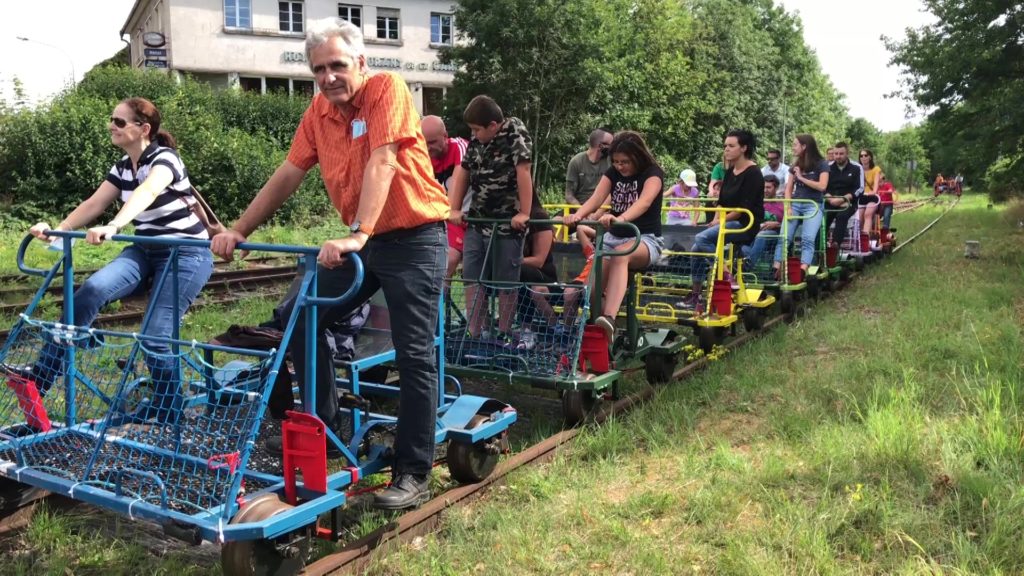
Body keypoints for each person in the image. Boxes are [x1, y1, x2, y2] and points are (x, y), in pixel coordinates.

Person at [210, 21, 448, 510]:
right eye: (318, 68)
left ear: (360, 62)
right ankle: (327, 422)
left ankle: (413, 472)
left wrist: (358, 231)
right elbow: (289, 173)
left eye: (337, 65)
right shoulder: (319, 111)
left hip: (413, 238)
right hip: (365, 240)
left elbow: (383, 161)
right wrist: (239, 229)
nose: (328, 77)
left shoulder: (387, 89)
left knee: (413, 353)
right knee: (300, 314)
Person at [25, 97, 214, 426]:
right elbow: (95, 202)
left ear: (143, 129)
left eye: (120, 121)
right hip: (144, 250)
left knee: (155, 337)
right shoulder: (124, 167)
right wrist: (59, 230)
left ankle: (171, 413)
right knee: (91, 289)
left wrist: (115, 226)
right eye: (112, 119)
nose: (112, 125)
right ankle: (39, 378)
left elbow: (148, 193)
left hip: (186, 252)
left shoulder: (164, 158)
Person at [447, 95, 534, 347]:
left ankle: (505, 331)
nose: (473, 134)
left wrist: (524, 213)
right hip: (478, 219)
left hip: (507, 222)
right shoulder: (477, 141)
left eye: (476, 129)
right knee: (472, 275)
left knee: (505, 278)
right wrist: (454, 208)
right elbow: (463, 170)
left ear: (493, 125)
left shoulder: (514, 132)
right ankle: (475, 332)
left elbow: (524, 170)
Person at [564, 131, 665, 341]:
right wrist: (578, 215)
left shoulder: (653, 173)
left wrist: (622, 218)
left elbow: (644, 202)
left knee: (621, 254)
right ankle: (599, 334)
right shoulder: (612, 173)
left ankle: (609, 318)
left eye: (625, 162)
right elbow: (596, 198)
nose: (620, 167)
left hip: (644, 238)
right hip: (613, 238)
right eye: (616, 162)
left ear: (637, 156)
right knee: (591, 290)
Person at [689, 129, 764, 299]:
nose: (726, 149)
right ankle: (695, 294)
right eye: (725, 146)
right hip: (726, 221)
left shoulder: (754, 173)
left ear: (744, 148)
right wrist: (715, 219)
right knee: (696, 249)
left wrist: (719, 222)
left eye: (731, 146)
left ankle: (727, 276)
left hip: (745, 224)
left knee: (701, 239)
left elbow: (741, 209)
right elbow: (722, 201)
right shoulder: (730, 172)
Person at [774, 134, 829, 276]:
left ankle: (802, 269)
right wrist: (788, 207)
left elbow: (822, 186)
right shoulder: (795, 166)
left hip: (813, 204)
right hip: (795, 203)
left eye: (795, 144)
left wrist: (802, 178)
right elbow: (788, 188)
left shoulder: (822, 164)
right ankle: (777, 267)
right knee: (784, 237)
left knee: (807, 238)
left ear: (804, 146)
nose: (793, 147)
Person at [422, 115, 470, 278]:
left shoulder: (460, 147)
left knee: (474, 273)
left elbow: (457, 180)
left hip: (467, 216)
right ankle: (438, 303)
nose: (427, 148)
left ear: (445, 136)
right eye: (424, 143)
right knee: (445, 263)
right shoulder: (423, 157)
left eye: (432, 142)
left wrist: (450, 211)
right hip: (450, 220)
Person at [823, 143, 864, 249]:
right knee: (823, 218)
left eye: (841, 153)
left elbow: (860, 189)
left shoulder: (857, 168)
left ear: (847, 153)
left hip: (848, 202)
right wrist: (831, 200)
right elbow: (822, 187)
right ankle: (820, 247)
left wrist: (844, 199)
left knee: (842, 216)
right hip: (830, 201)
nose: (838, 156)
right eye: (836, 153)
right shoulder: (827, 168)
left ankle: (835, 245)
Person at [743, 174, 784, 270]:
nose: (765, 190)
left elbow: (789, 224)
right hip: (754, 233)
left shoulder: (783, 204)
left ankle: (748, 267)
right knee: (743, 248)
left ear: (776, 187)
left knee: (763, 235)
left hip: (775, 234)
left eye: (768, 187)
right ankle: (750, 268)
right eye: (763, 187)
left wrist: (777, 224)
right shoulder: (757, 202)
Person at [565, 129, 613, 205]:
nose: (612, 148)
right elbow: (569, 195)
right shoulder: (576, 161)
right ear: (601, 146)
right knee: (556, 218)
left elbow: (612, 192)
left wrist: (597, 213)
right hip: (579, 206)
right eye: (610, 145)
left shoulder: (610, 162)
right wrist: (581, 211)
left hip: (602, 208)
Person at [858, 149, 882, 236]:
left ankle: (865, 238)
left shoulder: (876, 169)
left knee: (867, 214)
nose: (863, 157)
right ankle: (858, 239)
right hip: (861, 197)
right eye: (861, 156)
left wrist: (874, 191)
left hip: (872, 197)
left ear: (870, 157)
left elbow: (876, 184)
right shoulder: (858, 169)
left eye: (866, 155)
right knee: (859, 217)